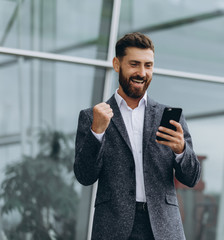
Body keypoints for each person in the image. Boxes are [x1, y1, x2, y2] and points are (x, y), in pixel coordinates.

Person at [74, 32, 201, 240]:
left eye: (148, 65)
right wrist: (96, 132)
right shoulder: (92, 116)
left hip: (163, 228)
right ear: (117, 64)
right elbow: (84, 176)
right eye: (134, 64)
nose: (142, 72)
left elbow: (192, 178)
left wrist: (181, 151)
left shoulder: (167, 116)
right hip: (113, 228)